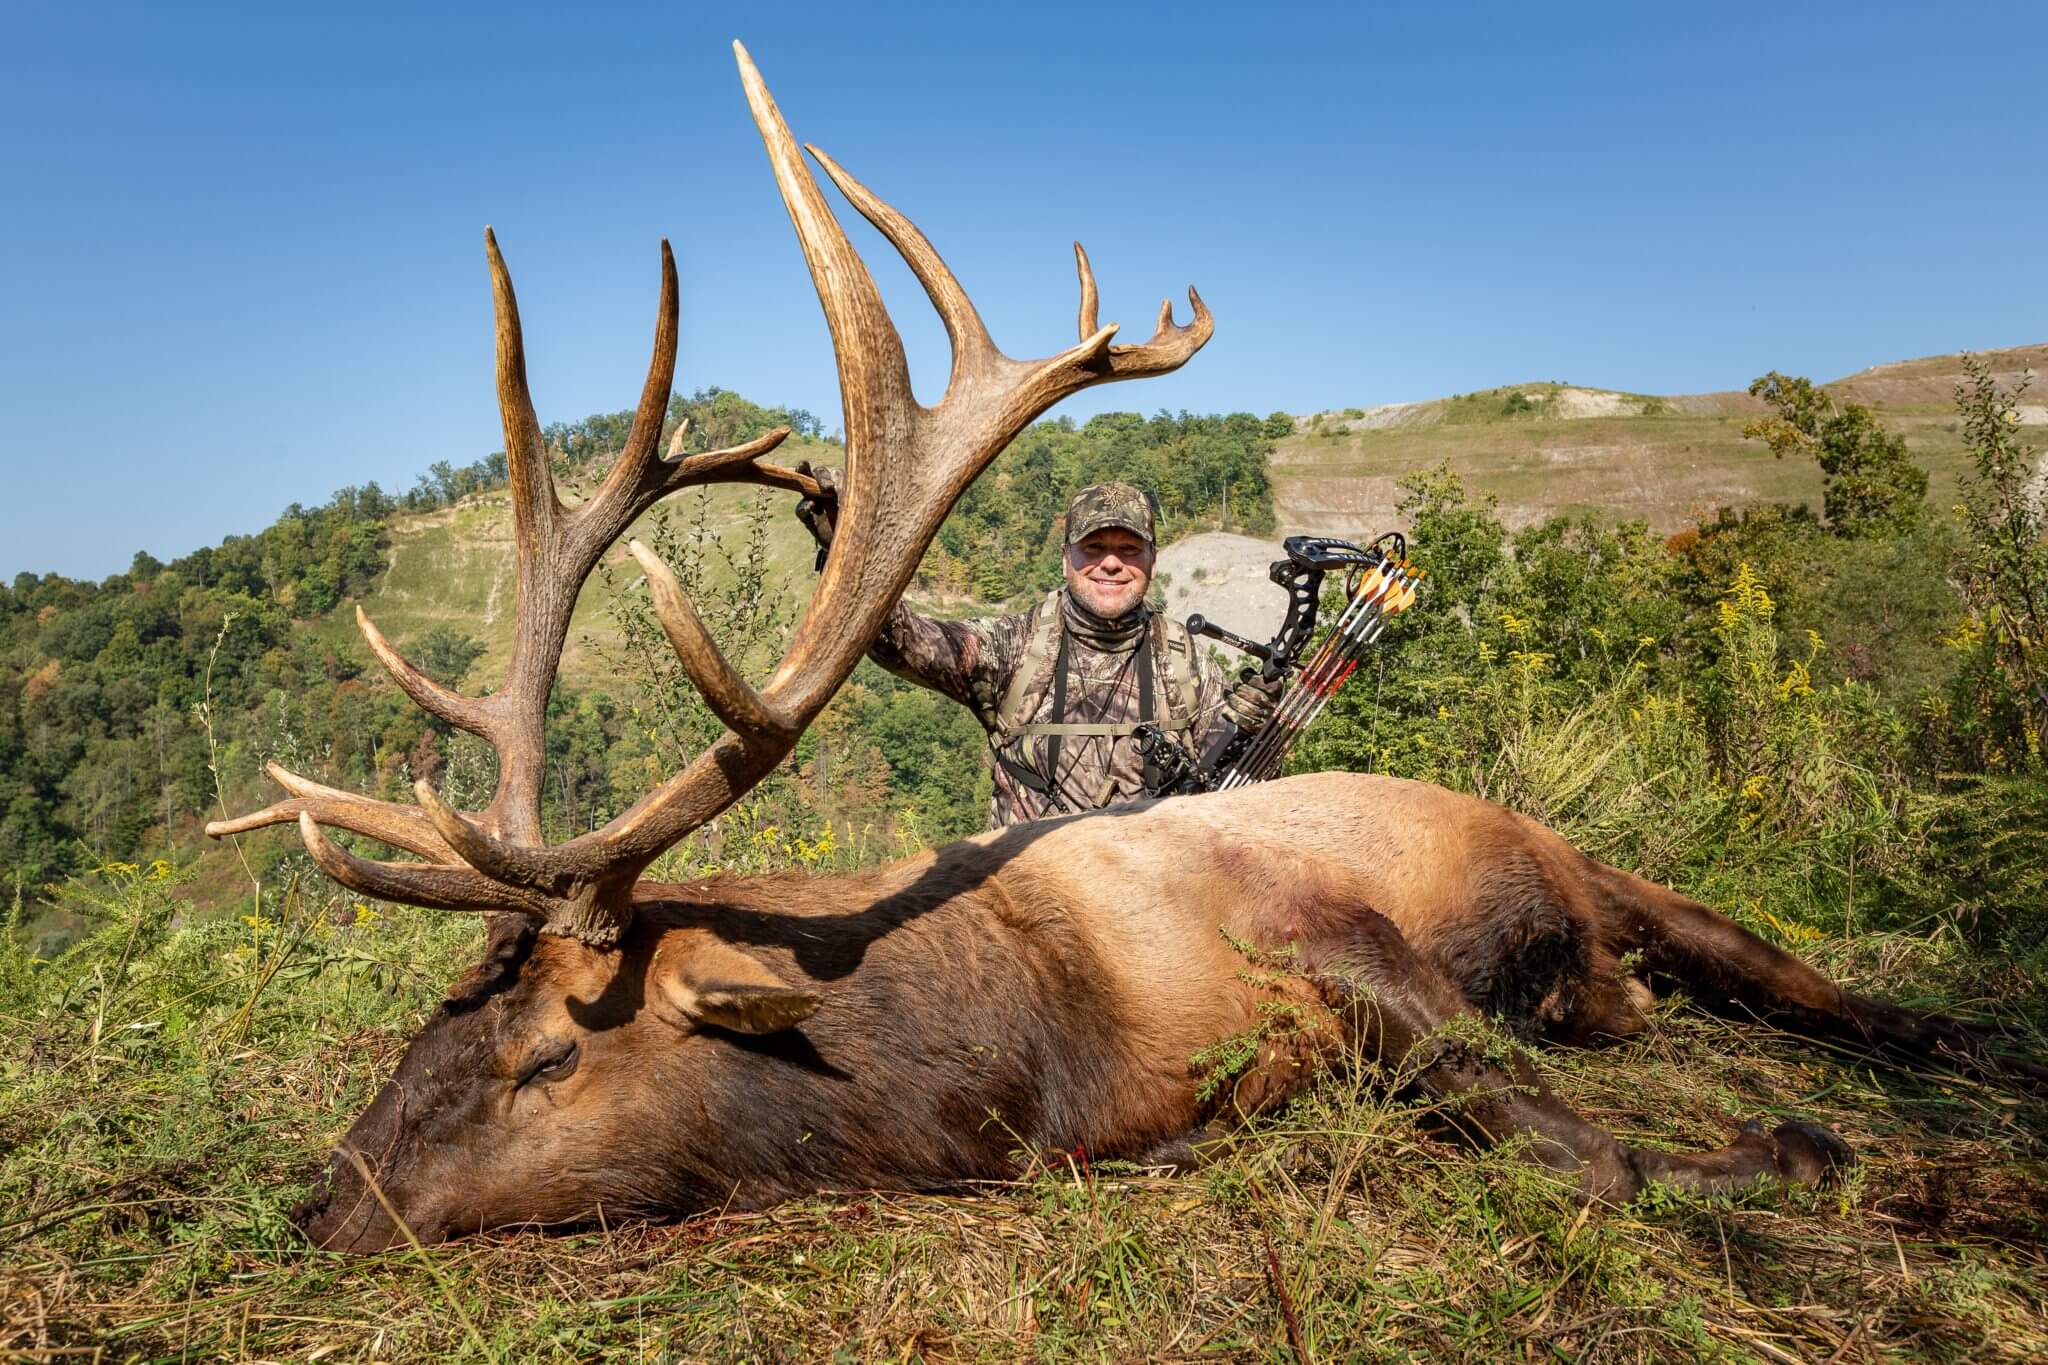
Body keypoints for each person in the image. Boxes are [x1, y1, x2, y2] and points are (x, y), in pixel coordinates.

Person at [797, 475, 1280, 828]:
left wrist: (1258, 734)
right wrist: (851, 550)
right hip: (1028, 912)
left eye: (1130, 549)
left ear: (1153, 562)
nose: (1112, 563)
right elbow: (901, 643)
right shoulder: (1014, 647)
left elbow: (1231, 796)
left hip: (1150, 907)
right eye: (1094, 547)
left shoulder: (1185, 660)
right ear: (1066, 558)